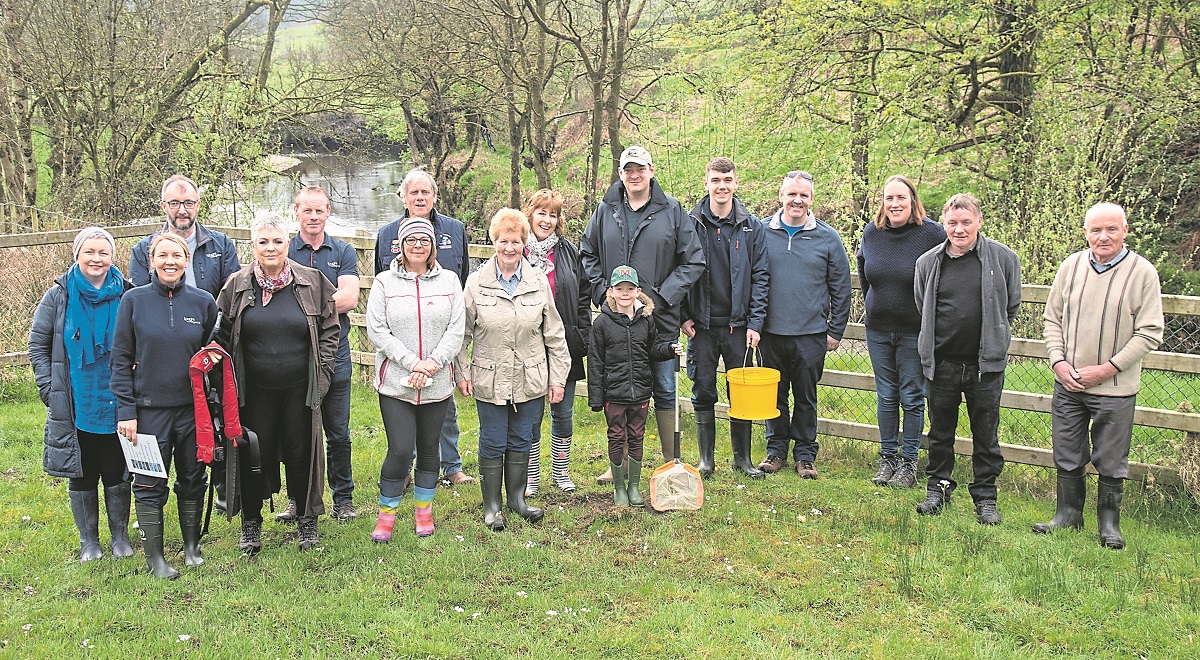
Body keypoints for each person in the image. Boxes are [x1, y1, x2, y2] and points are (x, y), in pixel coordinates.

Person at [1037, 202, 1163, 549]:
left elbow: (1150, 332)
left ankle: (1109, 525)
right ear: (1085, 233)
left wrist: (1107, 369)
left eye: (1111, 229)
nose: (1103, 236)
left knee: (1110, 458)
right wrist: (1058, 362)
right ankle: (1067, 516)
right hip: (1068, 383)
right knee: (1067, 451)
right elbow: (1052, 320)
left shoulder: (1142, 273)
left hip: (1115, 387)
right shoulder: (1071, 267)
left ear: (1125, 231)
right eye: (1096, 230)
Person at [216, 212, 339, 554]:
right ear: (252, 245)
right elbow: (221, 336)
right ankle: (251, 522)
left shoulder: (312, 282)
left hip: (300, 388)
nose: (270, 248)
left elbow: (331, 330)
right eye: (263, 242)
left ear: (288, 243)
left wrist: (323, 374)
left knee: (301, 453)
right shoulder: (237, 285)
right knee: (254, 453)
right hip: (254, 392)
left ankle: (306, 518)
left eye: (277, 241)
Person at [580, 145, 704, 483]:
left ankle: (670, 465)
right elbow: (587, 253)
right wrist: (602, 293)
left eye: (640, 169)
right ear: (621, 174)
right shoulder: (605, 210)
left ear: (651, 171)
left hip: (658, 320)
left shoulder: (673, 211)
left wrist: (661, 297)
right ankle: (618, 464)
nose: (634, 175)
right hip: (616, 322)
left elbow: (694, 261)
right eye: (628, 170)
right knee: (618, 390)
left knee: (664, 387)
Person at [128, 174, 240, 512]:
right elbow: (138, 299)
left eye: (188, 202)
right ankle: (151, 506)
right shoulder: (143, 249)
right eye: (175, 203)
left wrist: (211, 336)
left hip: (207, 343)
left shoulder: (220, 245)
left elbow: (231, 294)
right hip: (160, 354)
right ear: (163, 205)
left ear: (198, 205)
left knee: (216, 421)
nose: (182, 209)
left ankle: (221, 487)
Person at [110, 233, 218, 579]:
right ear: (151, 261)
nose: (170, 262)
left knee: (193, 477)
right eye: (162, 255)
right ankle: (155, 559)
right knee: (149, 482)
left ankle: (191, 548)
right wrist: (126, 411)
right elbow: (120, 358)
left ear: (187, 260)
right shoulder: (133, 301)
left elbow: (211, 355)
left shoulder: (203, 302)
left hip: (192, 410)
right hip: (148, 411)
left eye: (177, 255)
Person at [455, 209, 570, 531]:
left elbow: (555, 335)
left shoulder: (537, 282)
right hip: (489, 378)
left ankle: (517, 500)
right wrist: (462, 373)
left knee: (522, 439)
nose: (509, 248)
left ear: (524, 244)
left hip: (529, 378)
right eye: (503, 241)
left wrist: (557, 379)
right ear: (494, 242)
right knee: (493, 440)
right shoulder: (476, 283)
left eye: (516, 242)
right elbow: (461, 334)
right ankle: (492, 506)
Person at [913, 193, 1021, 525]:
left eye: (966, 222)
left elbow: (1011, 306)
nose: (959, 230)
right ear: (943, 224)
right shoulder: (928, 263)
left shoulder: (1003, 259)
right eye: (952, 223)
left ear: (979, 222)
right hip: (941, 364)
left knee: (986, 435)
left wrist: (994, 339)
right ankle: (938, 489)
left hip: (984, 367)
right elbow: (921, 304)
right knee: (940, 433)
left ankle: (985, 497)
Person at [30, 228, 134, 563]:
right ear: (77, 255)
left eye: (104, 252)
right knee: (82, 468)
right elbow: (38, 345)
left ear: (113, 256)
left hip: (116, 396)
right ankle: (89, 540)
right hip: (77, 398)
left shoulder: (129, 294)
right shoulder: (58, 296)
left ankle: (120, 536)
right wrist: (50, 389)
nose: (96, 259)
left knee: (117, 467)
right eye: (89, 252)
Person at [366, 219, 465, 541]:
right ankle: (386, 516)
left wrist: (433, 364)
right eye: (411, 240)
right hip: (397, 383)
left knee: (429, 450)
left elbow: (456, 329)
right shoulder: (384, 282)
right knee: (399, 449)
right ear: (401, 245)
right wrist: (412, 362)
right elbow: (377, 330)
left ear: (433, 245)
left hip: (437, 383)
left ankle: (424, 512)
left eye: (424, 240)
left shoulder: (450, 281)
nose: (418, 245)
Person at [374, 169, 474, 486]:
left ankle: (451, 466)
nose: (419, 198)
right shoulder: (386, 233)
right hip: (402, 344)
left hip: (442, 338)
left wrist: (436, 358)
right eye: (413, 192)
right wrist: (411, 360)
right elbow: (382, 288)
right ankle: (404, 468)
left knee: (445, 409)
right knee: (403, 416)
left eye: (425, 192)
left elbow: (463, 277)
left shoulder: (455, 230)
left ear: (434, 196)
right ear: (403, 197)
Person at [757, 171, 852, 479]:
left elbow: (841, 288)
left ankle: (805, 455)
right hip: (769, 334)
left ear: (812, 199)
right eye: (791, 194)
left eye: (803, 195)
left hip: (811, 335)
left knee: (806, 397)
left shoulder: (827, 238)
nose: (797, 200)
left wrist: (835, 330)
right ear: (781, 196)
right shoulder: (761, 232)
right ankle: (776, 451)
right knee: (774, 396)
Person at [681, 157, 769, 479]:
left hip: (739, 327)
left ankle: (742, 460)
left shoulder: (751, 227)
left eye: (727, 179)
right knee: (703, 390)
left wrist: (755, 323)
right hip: (701, 327)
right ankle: (706, 460)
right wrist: (682, 316)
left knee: (741, 393)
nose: (722, 186)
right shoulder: (689, 223)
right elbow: (677, 270)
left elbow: (761, 276)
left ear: (736, 182)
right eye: (716, 180)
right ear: (706, 183)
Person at [857, 175, 946, 488]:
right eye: (889, 198)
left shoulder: (932, 234)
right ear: (882, 202)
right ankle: (887, 459)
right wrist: (874, 304)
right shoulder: (872, 233)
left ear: (913, 201)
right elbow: (864, 273)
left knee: (911, 396)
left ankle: (909, 463)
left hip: (914, 331)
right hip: (878, 329)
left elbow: (944, 275)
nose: (894, 204)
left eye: (901, 198)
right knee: (886, 396)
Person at [282, 186, 361, 523]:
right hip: (293, 354)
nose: (313, 217)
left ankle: (343, 499)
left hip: (334, 352)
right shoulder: (284, 250)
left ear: (328, 212)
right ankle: (297, 499)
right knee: (296, 432)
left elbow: (350, 298)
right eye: (307, 210)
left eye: (319, 210)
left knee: (338, 432)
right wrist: (325, 305)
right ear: (296, 212)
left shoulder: (342, 251)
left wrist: (301, 307)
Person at [590, 266, 683, 506]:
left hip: (640, 392)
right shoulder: (602, 323)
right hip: (614, 393)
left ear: (638, 291)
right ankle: (619, 488)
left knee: (636, 436)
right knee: (616, 436)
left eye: (630, 289)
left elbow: (653, 349)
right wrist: (596, 397)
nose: (625, 293)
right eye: (619, 289)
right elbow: (595, 361)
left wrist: (669, 349)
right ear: (611, 291)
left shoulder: (646, 320)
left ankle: (633, 487)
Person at [522, 190, 591, 495]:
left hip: (564, 344)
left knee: (563, 412)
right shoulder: (517, 251)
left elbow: (583, 295)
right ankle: (531, 476)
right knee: (531, 415)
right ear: (530, 215)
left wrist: (582, 335)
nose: (547, 220)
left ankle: (561, 472)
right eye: (541, 213)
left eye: (553, 214)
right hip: (527, 346)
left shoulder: (568, 252)